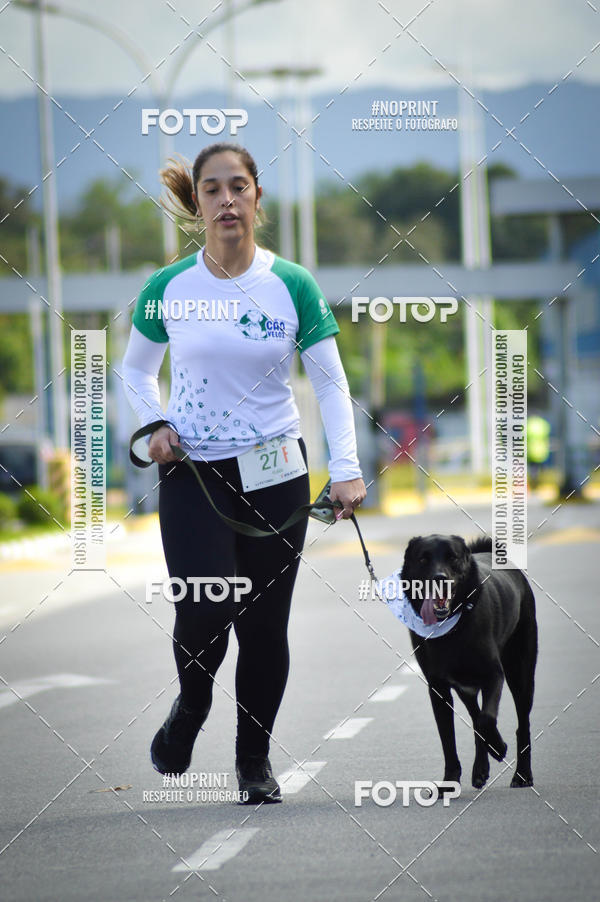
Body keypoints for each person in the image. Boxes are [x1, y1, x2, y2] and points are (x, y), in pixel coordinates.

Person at [122, 142, 366, 805]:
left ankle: (253, 762)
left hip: (276, 473)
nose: (226, 199)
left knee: (263, 626)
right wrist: (154, 426)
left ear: (257, 196)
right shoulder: (168, 287)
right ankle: (192, 704)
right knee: (204, 610)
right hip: (195, 474)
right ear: (197, 202)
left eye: (238, 186)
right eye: (212, 189)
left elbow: (332, 384)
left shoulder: (292, 284)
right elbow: (135, 371)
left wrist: (345, 471)